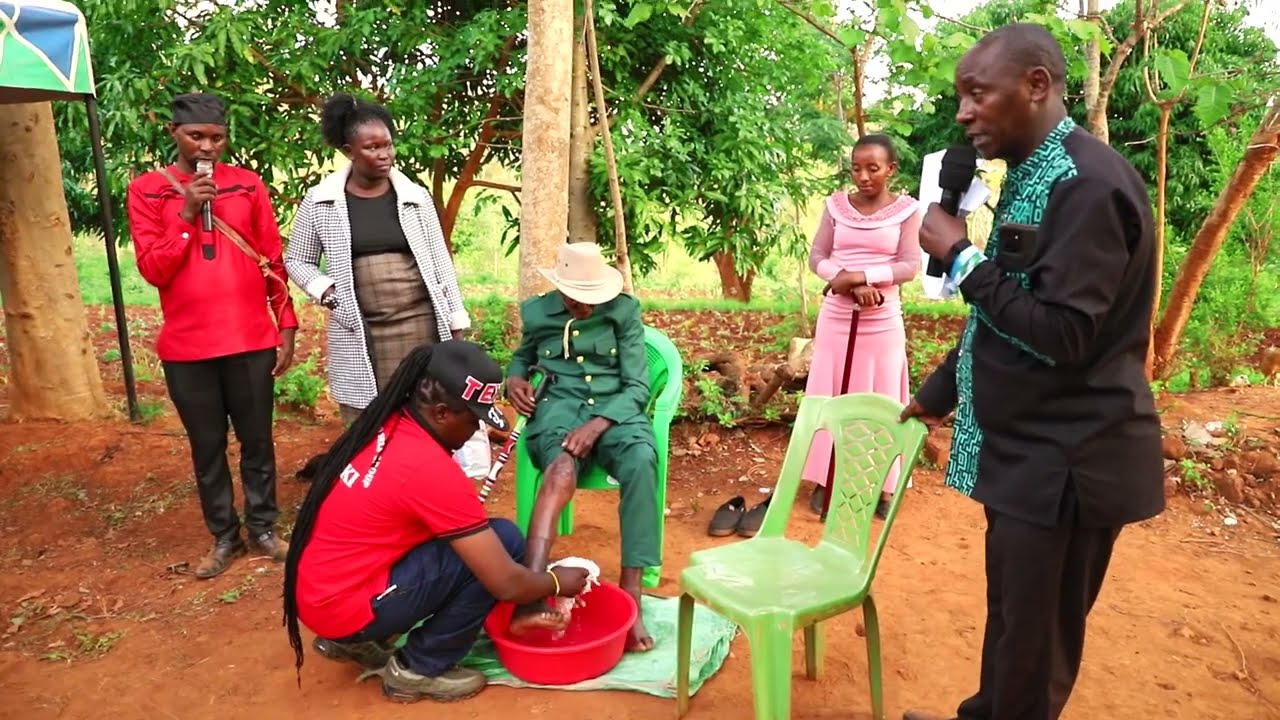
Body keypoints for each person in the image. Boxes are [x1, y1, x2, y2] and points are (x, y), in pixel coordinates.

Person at [900, 23, 1164, 720]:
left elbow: (1063, 334)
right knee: (1016, 621)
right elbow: (1011, 305)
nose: (962, 112)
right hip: (1027, 456)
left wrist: (961, 259)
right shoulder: (1034, 174)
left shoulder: (1085, 186)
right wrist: (936, 391)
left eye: (976, 94)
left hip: (1067, 464)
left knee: (1036, 649)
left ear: (1037, 85)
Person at [284, 340, 590, 703]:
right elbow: (507, 584)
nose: (477, 430)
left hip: (321, 591)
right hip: (345, 606)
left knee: (480, 541)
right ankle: (419, 667)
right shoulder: (428, 469)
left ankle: (360, 639)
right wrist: (555, 582)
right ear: (442, 413)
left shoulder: (389, 422)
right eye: (473, 419)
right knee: (505, 541)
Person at [126, 92, 298, 579]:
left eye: (216, 138)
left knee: (257, 440)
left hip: (249, 338)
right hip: (188, 346)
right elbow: (154, 269)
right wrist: (183, 216)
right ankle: (225, 536)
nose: (207, 147)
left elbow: (272, 259)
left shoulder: (246, 186)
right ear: (174, 134)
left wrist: (285, 325)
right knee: (207, 445)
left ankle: (264, 528)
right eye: (196, 136)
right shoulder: (147, 190)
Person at [505, 242, 658, 652]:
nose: (586, 308)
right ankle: (531, 592)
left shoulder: (624, 311)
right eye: (578, 300)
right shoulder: (538, 312)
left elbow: (638, 385)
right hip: (557, 407)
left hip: (616, 410)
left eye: (594, 300)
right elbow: (523, 357)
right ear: (562, 289)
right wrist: (513, 379)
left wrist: (599, 423)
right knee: (559, 468)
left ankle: (632, 595)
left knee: (642, 460)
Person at [285, 93, 471, 424]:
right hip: (360, 328)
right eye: (372, 148)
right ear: (348, 152)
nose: (384, 155)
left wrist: (456, 319)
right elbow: (297, 259)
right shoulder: (322, 202)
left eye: (388, 145)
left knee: (424, 410)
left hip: (420, 323)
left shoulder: (415, 198)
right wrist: (327, 292)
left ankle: (417, 473)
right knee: (368, 417)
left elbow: (440, 261)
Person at [804, 134, 921, 518]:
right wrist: (846, 281)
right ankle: (826, 478)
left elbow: (908, 265)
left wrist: (861, 275)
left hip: (882, 320)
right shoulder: (836, 206)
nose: (864, 176)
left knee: (882, 398)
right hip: (837, 315)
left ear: (891, 169)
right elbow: (817, 256)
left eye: (874, 168)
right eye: (857, 168)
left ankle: (881, 486)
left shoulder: (906, 211)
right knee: (831, 394)